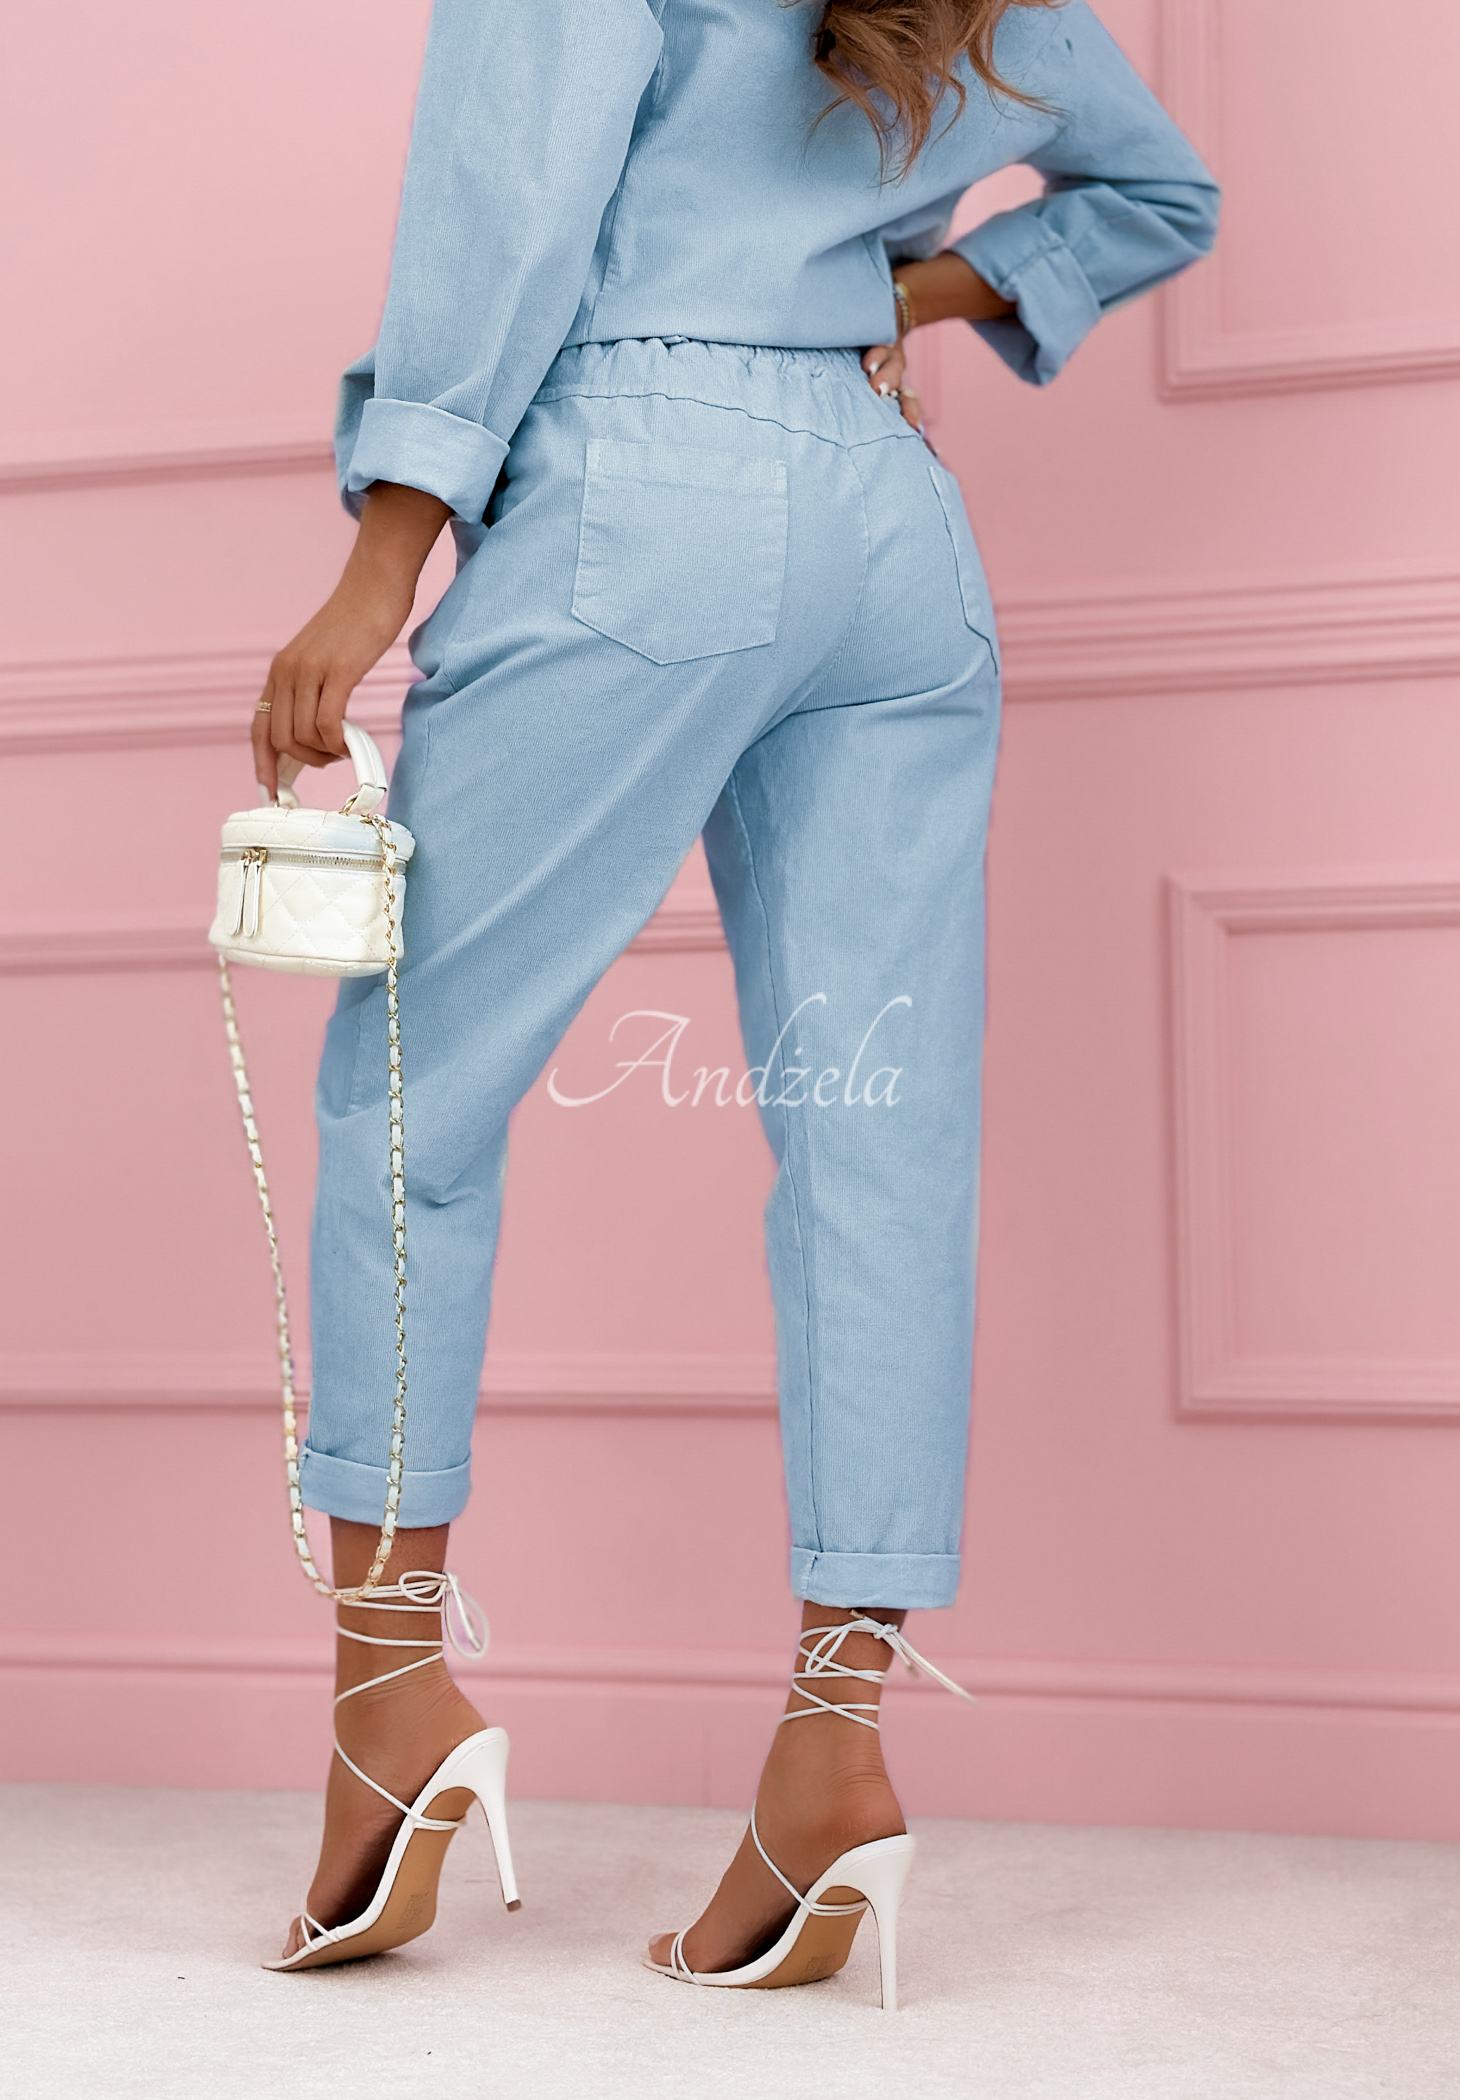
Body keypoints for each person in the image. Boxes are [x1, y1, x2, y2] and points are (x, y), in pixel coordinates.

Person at [251, 0, 1217, 1991]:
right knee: (878, 1145)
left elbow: (506, 208)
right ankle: (833, 1753)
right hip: (891, 528)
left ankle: (392, 1699)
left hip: (642, 486)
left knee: (413, 1091)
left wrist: (380, 563)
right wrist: (892, 286)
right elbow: (1158, 191)